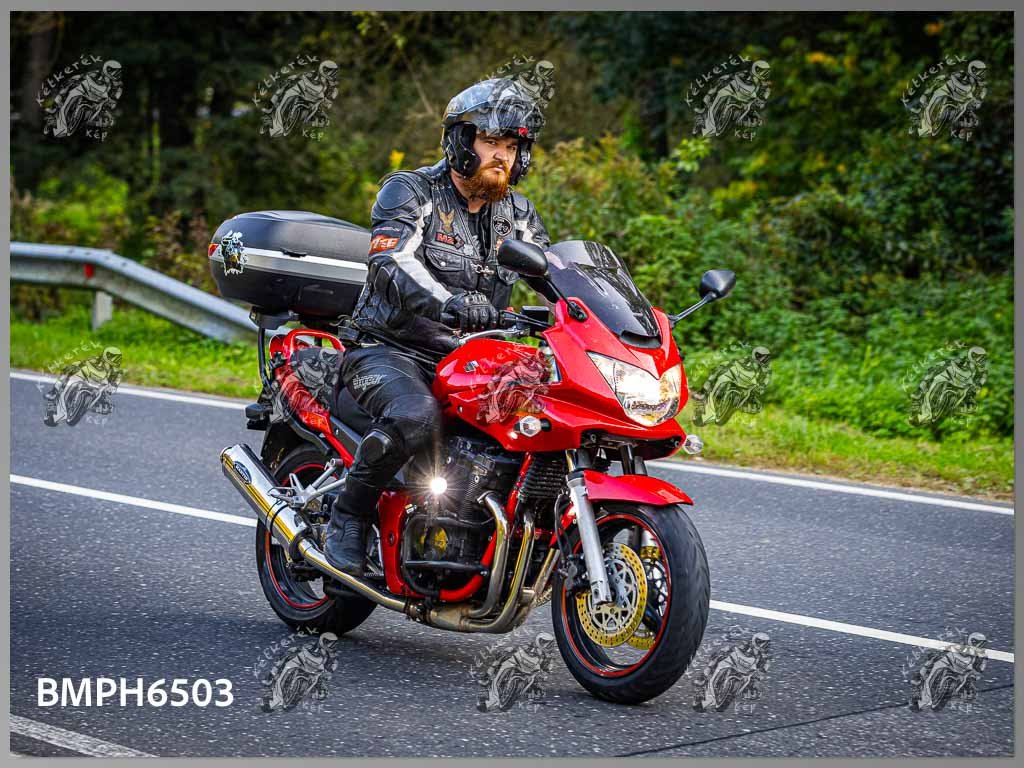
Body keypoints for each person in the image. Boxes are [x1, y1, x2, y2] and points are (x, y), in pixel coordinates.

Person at [323, 78, 551, 576]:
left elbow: (551, 274)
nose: (502, 156)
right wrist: (450, 302)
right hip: (389, 349)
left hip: (471, 360)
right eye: (491, 141)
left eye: (513, 147)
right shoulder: (411, 191)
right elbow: (392, 260)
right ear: (461, 142)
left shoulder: (519, 214)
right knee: (416, 417)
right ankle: (348, 514)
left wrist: (595, 318)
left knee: (548, 421)